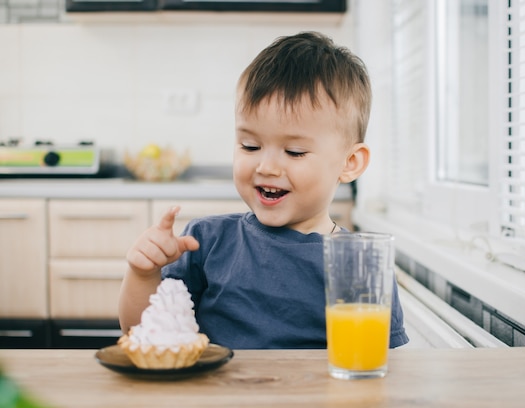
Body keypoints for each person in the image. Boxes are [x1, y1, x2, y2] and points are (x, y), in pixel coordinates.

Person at [119, 31, 409, 349]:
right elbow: (143, 334)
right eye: (250, 145)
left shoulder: (359, 264)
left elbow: (377, 367)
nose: (266, 167)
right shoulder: (205, 242)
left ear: (350, 163)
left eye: (294, 151)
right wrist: (143, 274)